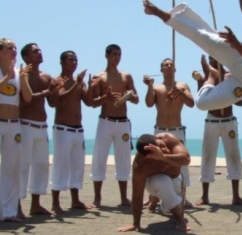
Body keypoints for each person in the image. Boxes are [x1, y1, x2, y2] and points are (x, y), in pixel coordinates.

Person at [88, 44, 139, 208]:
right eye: (114, 54)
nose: (117, 57)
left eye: (119, 54)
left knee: (123, 160)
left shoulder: (126, 76)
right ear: (107, 56)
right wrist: (106, 97)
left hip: (123, 122)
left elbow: (136, 98)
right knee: (99, 158)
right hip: (105, 121)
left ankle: (124, 198)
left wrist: (128, 96)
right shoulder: (99, 76)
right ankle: (97, 198)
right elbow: (93, 103)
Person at [193, 55, 242, 206]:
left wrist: (232, 87)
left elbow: (241, 102)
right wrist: (199, 81)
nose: (213, 61)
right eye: (211, 59)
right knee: (208, 157)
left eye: (216, 57)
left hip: (229, 121)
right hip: (212, 121)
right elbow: (201, 99)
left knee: (234, 157)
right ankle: (205, 196)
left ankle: (236, 196)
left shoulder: (230, 77)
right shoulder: (207, 78)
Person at [143, 58, 194, 209]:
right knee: (156, 163)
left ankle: (183, 197)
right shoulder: (157, 88)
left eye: (171, 65)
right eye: (166, 65)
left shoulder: (182, 86)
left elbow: (191, 103)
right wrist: (150, 86)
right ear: (161, 70)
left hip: (177, 130)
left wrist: (181, 93)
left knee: (181, 164)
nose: (169, 66)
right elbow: (149, 103)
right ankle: (153, 198)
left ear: (175, 69)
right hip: (160, 131)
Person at [118, 133, 191, 232]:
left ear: (157, 138)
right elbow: (137, 195)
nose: (163, 149)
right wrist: (136, 224)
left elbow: (186, 160)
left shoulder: (168, 138)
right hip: (155, 182)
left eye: (161, 145)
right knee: (161, 182)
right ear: (147, 157)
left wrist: (163, 157)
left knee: (168, 209)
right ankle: (179, 219)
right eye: (158, 150)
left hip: (175, 179)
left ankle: (155, 199)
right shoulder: (141, 165)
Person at [49, 50, 93, 214]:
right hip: (63, 129)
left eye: (75, 60)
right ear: (62, 62)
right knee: (60, 165)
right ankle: (55, 203)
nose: (74, 63)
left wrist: (91, 87)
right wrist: (77, 84)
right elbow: (56, 101)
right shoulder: (57, 81)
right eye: (70, 60)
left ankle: (75, 200)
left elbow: (89, 102)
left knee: (77, 166)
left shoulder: (79, 82)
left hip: (78, 129)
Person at [19, 43, 59, 217]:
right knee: (22, 166)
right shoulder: (22, 76)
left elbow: (52, 102)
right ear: (26, 57)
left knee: (42, 165)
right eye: (35, 51)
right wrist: (47, 91)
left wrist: (55, 90)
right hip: (25, 125)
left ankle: (35, 204)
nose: (40, 53)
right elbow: (24, 100)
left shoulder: (46, 76)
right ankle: (17, 205)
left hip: (42, 126)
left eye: (40, 50)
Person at [0, 38, 33, 222]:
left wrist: (22, 78)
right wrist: (4, 79)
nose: (13, 50)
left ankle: (10, 212)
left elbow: (27, 98)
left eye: (15, 47)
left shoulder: (19, 72)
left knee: (11, 169)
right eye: (9, 47)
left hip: (14, 124)